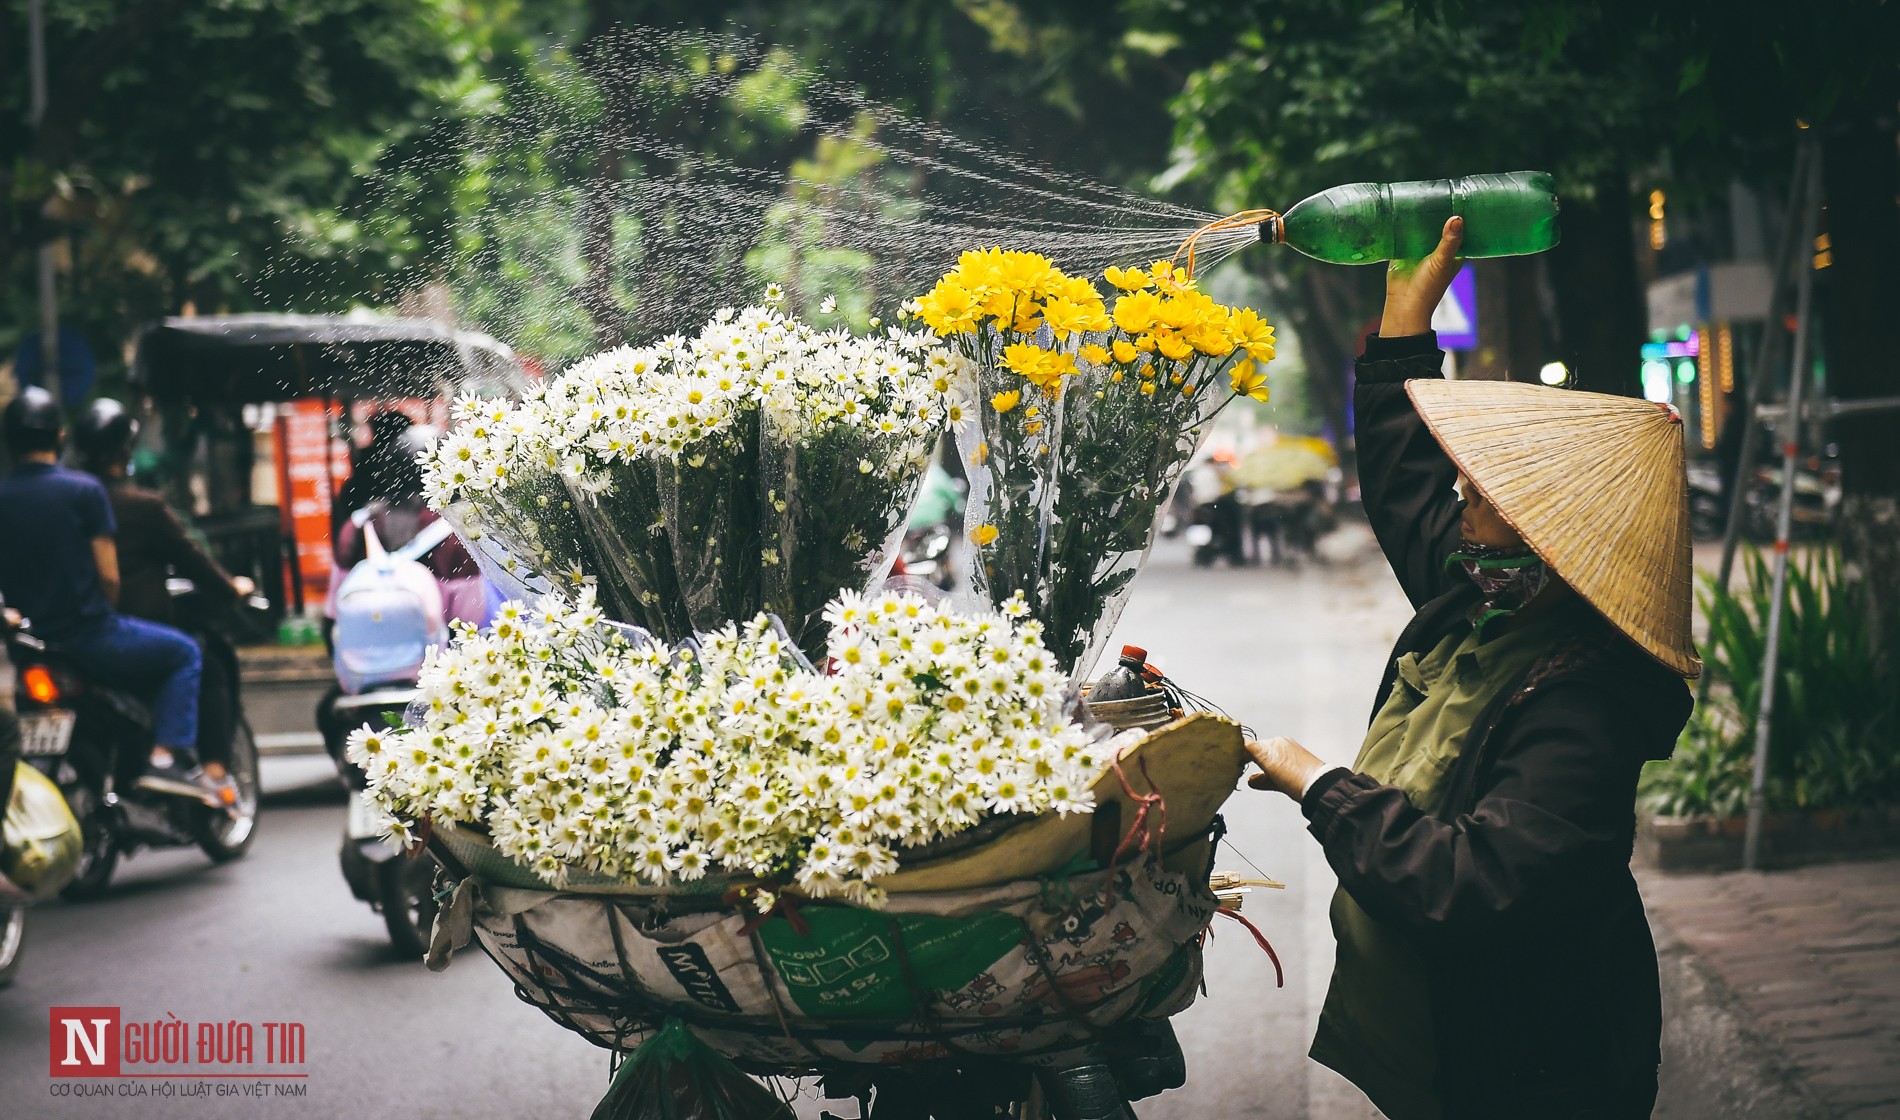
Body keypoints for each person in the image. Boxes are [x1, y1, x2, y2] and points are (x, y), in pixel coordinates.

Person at [1245, 217, 1697, 1119]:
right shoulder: (1482, 605)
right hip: (1449, 1055)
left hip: (1538, 1073)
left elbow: (1475, 885)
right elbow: (1408, 483)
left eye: (1484, 496)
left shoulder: (1584, 707)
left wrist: (1322, 786)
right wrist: (1403, 327)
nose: (1460, 500)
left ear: (1549, 541)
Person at [0, 388, 220, 806]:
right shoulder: (84, 491)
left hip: (33, 646)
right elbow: (109, 577)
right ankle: (164, 757)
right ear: (59, 436)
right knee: (185, 653)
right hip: (91, 635)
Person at [72, 398, 254, 792]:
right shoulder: (139, 506)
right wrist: (232, 588)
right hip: (120, 633)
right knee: (201, 660)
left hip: (71, 631)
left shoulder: (68, 501)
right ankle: (188, 764)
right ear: (125, 450)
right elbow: (192, 559)